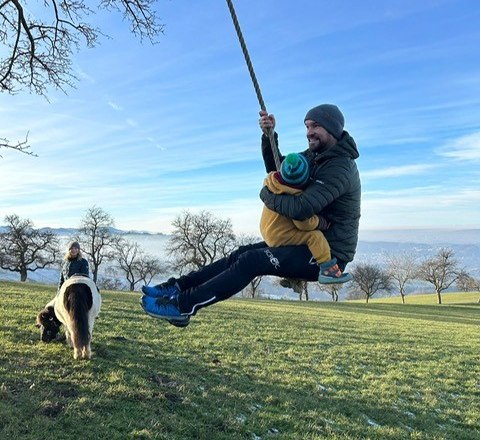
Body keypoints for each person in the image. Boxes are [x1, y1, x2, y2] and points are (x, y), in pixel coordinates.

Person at [141, 103, 360, 326]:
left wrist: (266, 194)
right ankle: (178, 287)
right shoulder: (315, 156)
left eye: (315, 126)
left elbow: (302, 208)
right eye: (307, 126)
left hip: (327, 254)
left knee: (251, 261)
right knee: (241, 254)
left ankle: (181, 306)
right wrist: (269, 137)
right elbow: (280, 169)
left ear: (332, 129)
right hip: (303, 239)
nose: (309, 132)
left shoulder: (340, 167)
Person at [260, 152, 352, 283]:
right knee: (314, 237)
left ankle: (292, 277)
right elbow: (303, 224)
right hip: (279, 235)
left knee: (297, 247)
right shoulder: (295, 197)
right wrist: (320, 222)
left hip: (267, 229)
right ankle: (328, 270)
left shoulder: (271, 181)